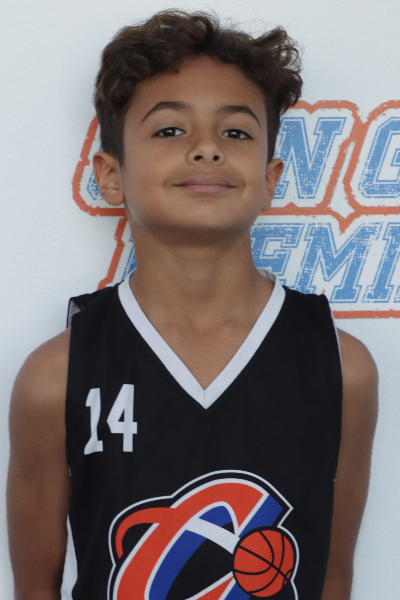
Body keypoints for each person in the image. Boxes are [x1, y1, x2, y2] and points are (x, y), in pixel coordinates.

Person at [7, 10, 378, 600]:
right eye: (170, 130)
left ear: (270, 176)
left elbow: (332, 578)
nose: (207, 149)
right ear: (110, 174)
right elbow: (34, 589)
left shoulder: (341, 366)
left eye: (236, 133)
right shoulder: (55, 376)